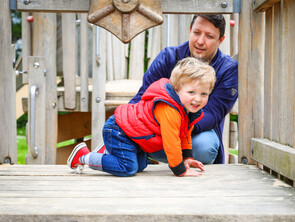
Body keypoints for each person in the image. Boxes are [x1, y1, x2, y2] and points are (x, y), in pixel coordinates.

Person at [93, 14, 238, 164]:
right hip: (155, 125)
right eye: (196, 33)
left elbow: (212, 114)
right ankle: (119, 149)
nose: (200, 41)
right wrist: (124, 126)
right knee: (130, 136)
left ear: (220, 40)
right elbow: (143, 96)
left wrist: (175, 127)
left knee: (205, 147)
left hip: (196, 130)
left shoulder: (228, 70)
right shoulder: (168, 57)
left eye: (209, 36)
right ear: (190, 30)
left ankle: (142, 150)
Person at [67, 57, 216, 177]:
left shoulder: (189, 110)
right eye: (191, 92)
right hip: (119, 130)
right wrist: (180, 170)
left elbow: (184, 134)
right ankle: (83, 157)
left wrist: (187, 158)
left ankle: (106, 153)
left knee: (141, 165)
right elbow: (172, 141)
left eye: (204, 94)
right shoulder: (170, 109)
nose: (198, 99)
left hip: (132, 135)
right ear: (177, 90)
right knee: (127, 168)